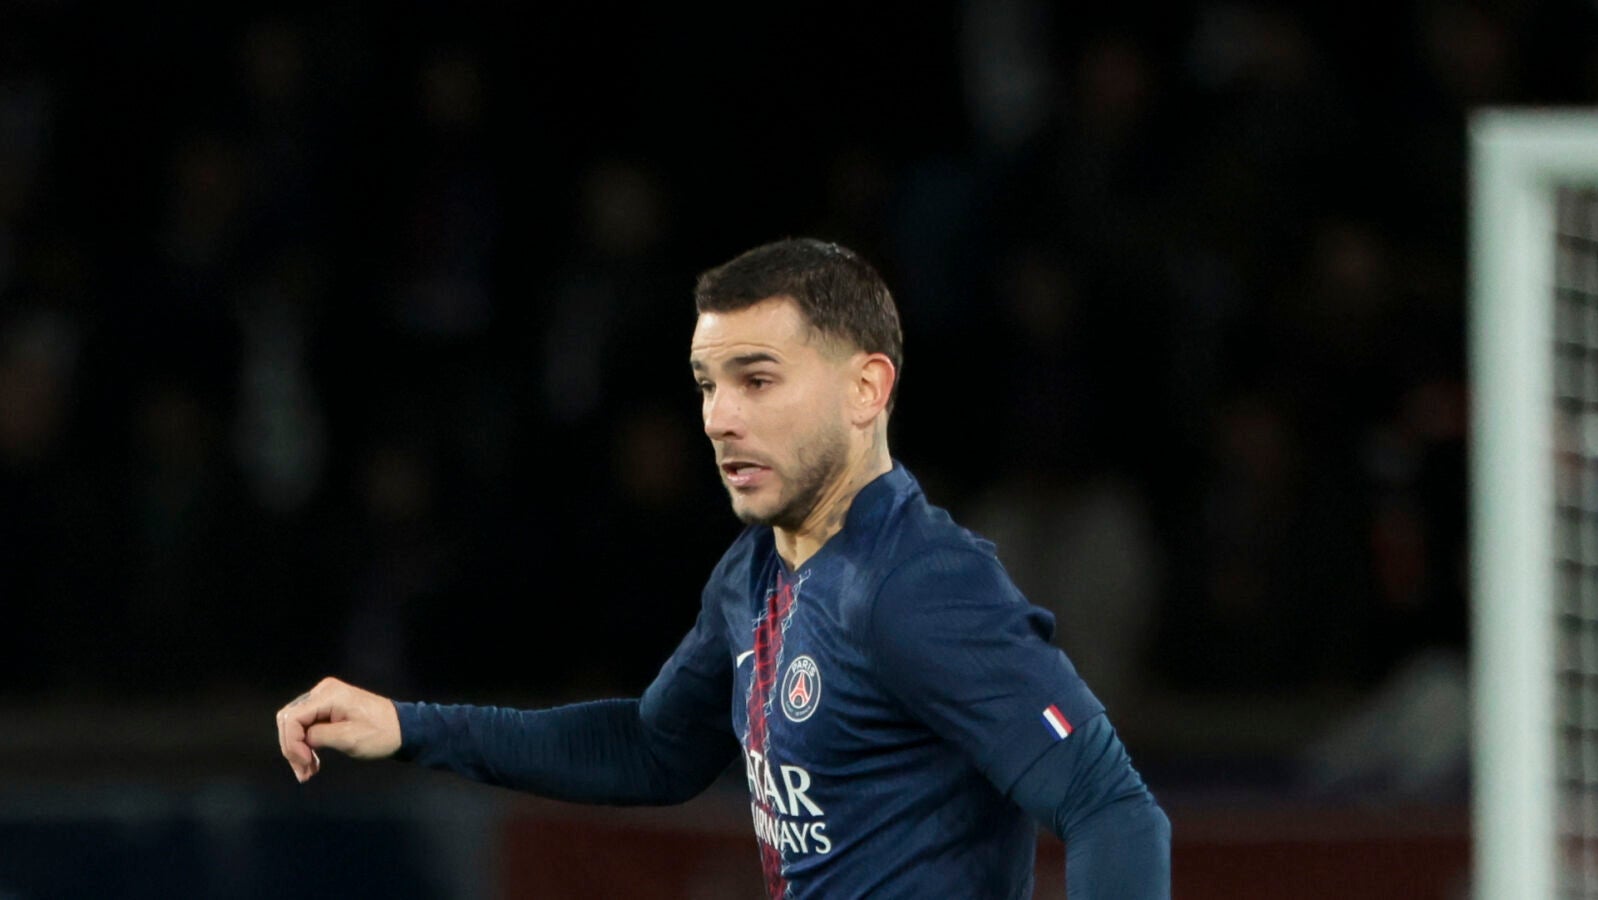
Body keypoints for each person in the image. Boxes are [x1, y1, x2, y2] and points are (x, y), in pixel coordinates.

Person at [276, 237, 1172, 898]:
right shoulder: (753, 575)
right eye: (708, 384)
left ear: (867, 389)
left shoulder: (918, 584)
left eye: (757, 379)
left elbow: (1109, 806)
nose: (717, 418)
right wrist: (409, 725)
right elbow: (651, 748)